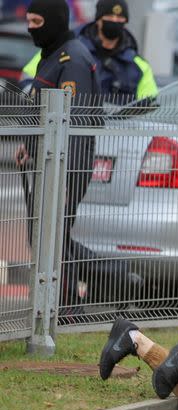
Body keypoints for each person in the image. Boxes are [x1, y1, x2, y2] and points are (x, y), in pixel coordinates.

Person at [15, 0, 100, 318]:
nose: (30, 27)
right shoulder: (51, 55)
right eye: (29, 20)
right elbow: (45, 112)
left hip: (65, 166)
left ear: (52, 21)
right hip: (48, 163)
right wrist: (29, 144)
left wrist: (65, 179)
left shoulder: (72, 59)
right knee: (45, 233)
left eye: (37, 21)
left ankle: (63, 306)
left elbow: (71, 125)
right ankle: (50, 304)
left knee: (55, 235)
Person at [21, 0, 158, 103]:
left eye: (119, 19)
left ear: (125, 22)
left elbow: (149, 102)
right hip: (65, 130)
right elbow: (30, 78)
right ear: (98, 19)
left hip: (119, 137)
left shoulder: (137, 65)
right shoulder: (66, 49)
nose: (114, 21)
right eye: (109, 17)